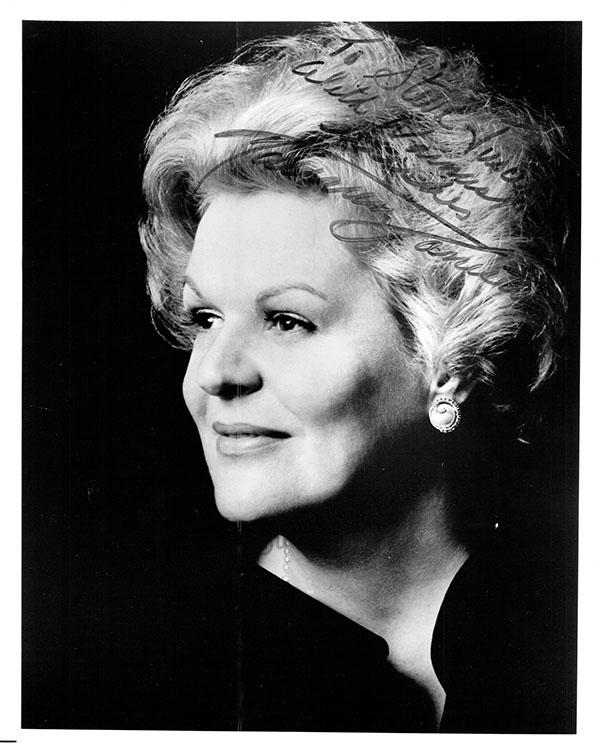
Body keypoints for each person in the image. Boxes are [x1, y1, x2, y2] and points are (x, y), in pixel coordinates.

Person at [136, 21, 574, 732]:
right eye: (206, 318)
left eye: (287, 321)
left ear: (450, 357)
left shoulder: (566, 627)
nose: (215, 373)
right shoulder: (145, 677)